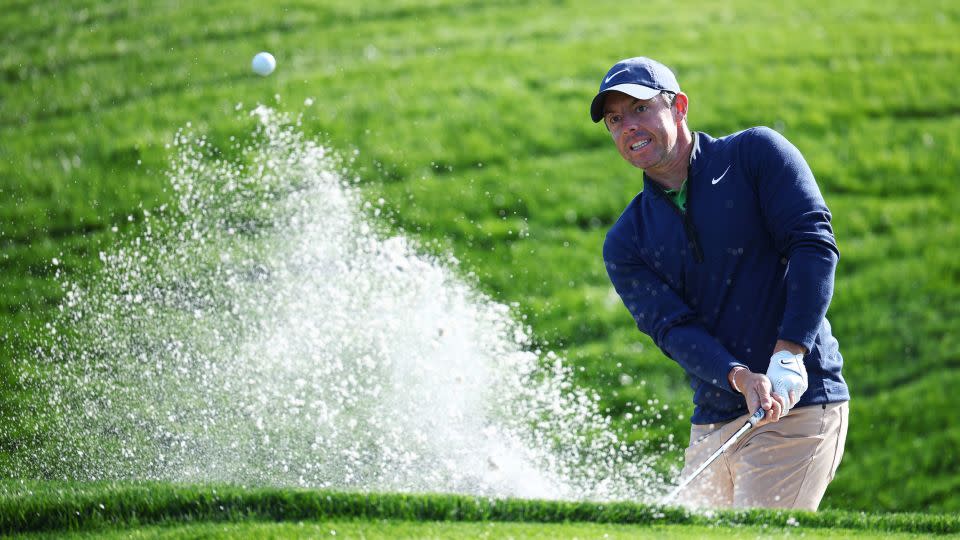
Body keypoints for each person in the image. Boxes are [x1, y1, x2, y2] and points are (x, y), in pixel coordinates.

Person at [592, 57, 849, 510]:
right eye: (615, 119)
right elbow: (672, 329)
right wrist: (738, 376)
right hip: (713, 422)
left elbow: (813, 245)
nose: (628, 126)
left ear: (679, 107)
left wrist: (789, 352)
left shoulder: (754, 156)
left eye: (639, 109)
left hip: (796, 405)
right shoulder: (626, 240)